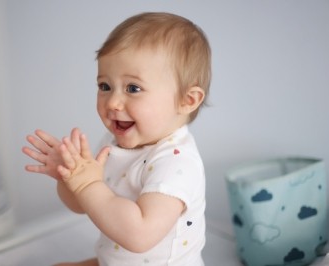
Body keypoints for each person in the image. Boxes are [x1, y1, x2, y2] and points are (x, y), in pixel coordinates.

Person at [23, 12, 211, 266]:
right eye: (104, 86)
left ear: (186, 101)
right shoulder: (116, 141)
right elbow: (83, 205)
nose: (112, 102)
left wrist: (87, 185)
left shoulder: (177, 163)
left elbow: (139, 235)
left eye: (133, 88)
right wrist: (70, 177)